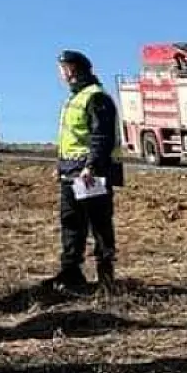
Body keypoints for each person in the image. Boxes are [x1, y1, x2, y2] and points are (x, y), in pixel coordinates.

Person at [51, 50, 123, 292]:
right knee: (71, 223)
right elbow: (71, 139)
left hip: (90, 175)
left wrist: (90, 166)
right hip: (71, 173)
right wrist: (60, 166)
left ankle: (106, 277)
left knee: (99, 224)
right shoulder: (75, 98)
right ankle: (70, 273)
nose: (60, 75)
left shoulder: (96, 98)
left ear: (71, 70)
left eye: (62, 69)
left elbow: (101, 137)